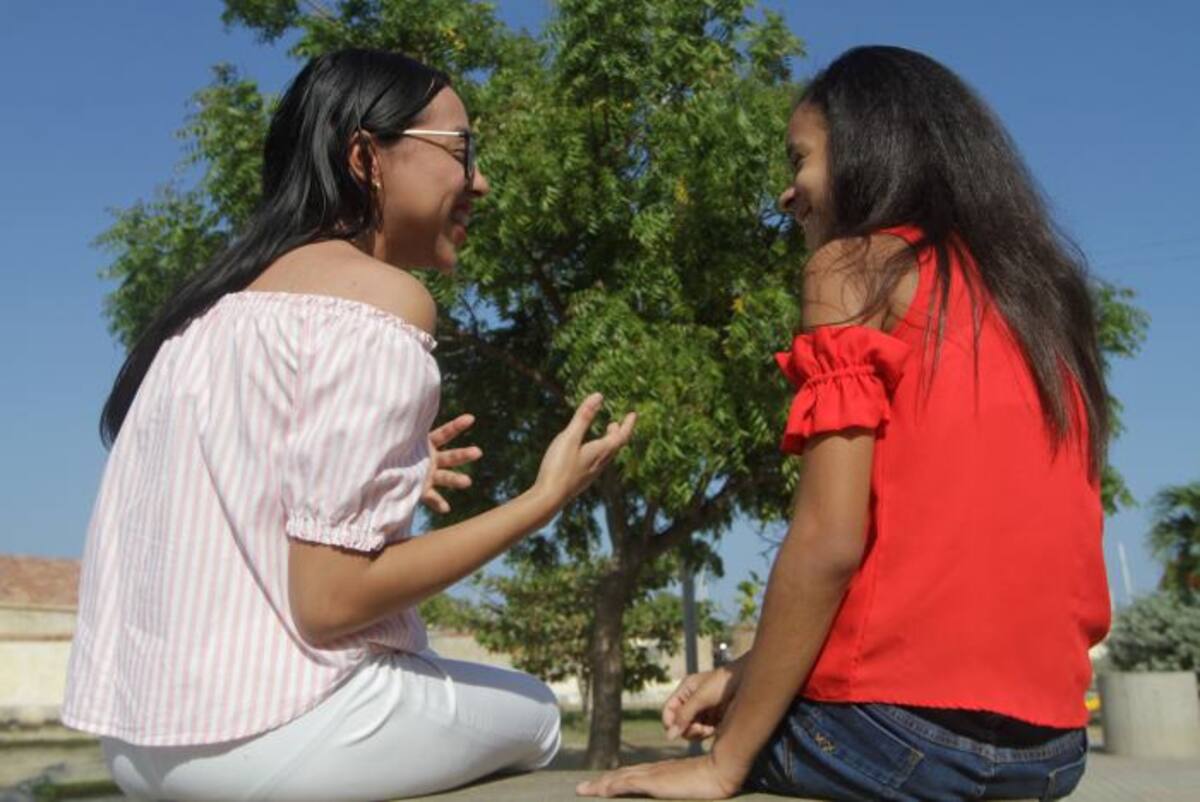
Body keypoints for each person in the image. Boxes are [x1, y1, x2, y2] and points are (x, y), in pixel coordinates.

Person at [63, 48, 635, 801]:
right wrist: (541, 500)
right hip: (277, 737)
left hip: (138, 747)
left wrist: (392, 470)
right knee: (537, 715)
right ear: (366, 155)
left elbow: (242, 502)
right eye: (462, 151)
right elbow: (332, 603)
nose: (480, 181)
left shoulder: (206, 317)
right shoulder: (380, 302)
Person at [578, 45, 1109, 801]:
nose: (788, 195)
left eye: (799, 161)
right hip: (1052, 750)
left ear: (871, 148)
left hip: (904, 741)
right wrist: (741, 673)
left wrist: (725, 760)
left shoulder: (855, 266)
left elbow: (829, 541)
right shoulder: (1049, 300)